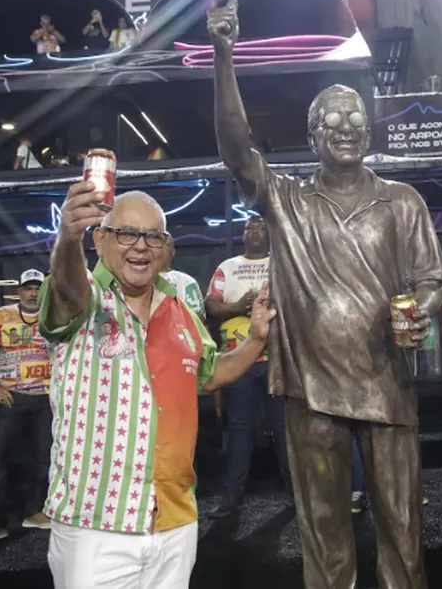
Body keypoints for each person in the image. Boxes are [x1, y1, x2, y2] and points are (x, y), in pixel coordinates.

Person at [210, 0, 442, 589]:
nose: (346, 130)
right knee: (323, 534)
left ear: (370, 130)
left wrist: (421, 312)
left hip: (387, 382)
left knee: (402, 529)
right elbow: (237, 149)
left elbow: (432, 281)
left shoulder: (402, 200)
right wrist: (223, 56)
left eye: (355, 120)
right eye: (332, 123)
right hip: (311, 390)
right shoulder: (287, 200)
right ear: (313, 137)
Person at [41, 187, 276, 588]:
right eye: (126, 233)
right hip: (97, 526)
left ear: (165, 247)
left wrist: (255, 339)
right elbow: (66, 286)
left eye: (153, 236)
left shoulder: (179, 309)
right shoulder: (85, 299)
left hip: (174, 520)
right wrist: (66, 239)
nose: (140, 247)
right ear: (100, 239)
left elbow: (212, 374)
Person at [206, 216, 290, 515]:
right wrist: (240, 306)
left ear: (269, 234)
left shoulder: (282, 262)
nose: (255, 232)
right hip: (236, 361)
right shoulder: (227, 267)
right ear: (242, 234)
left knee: (284, 428)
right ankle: (232, 496)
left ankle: (295, 493)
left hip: (278, 360)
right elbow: (212, 306)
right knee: (239, 428)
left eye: (261, 228)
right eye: (249, 228)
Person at [0, 269, 52, 545]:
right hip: (10, 396)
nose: (33, 293)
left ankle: (35, 510)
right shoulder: (2, 315)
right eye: (28, 288)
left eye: (37, 288)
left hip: (47, 397)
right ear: (19, 292)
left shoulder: (55, 314)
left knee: (45, 457)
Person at [160, 233, 205, 321]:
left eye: (167, 245)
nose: (161, 248)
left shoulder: (186, 281)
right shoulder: (139, 280)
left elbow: (198, 319)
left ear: (173, 252)